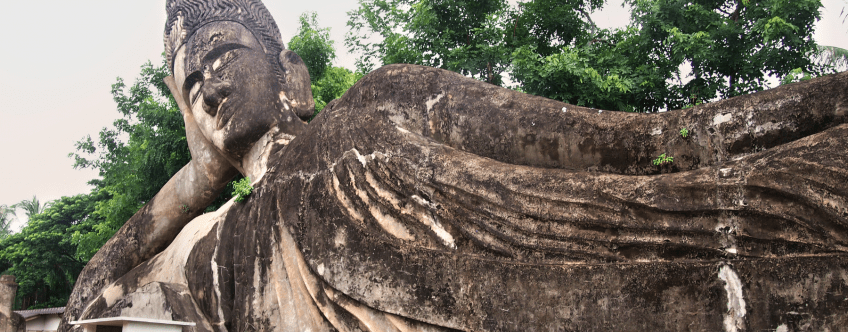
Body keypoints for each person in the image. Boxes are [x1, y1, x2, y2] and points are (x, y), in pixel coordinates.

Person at [61, 0, 848, 331]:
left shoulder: (383, 104)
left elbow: (649, 145)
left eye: (224, 56)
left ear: (289, 71)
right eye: (191, 84)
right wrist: (200, 176)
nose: (211, 87)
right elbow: (88, 302)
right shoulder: (214, 250)